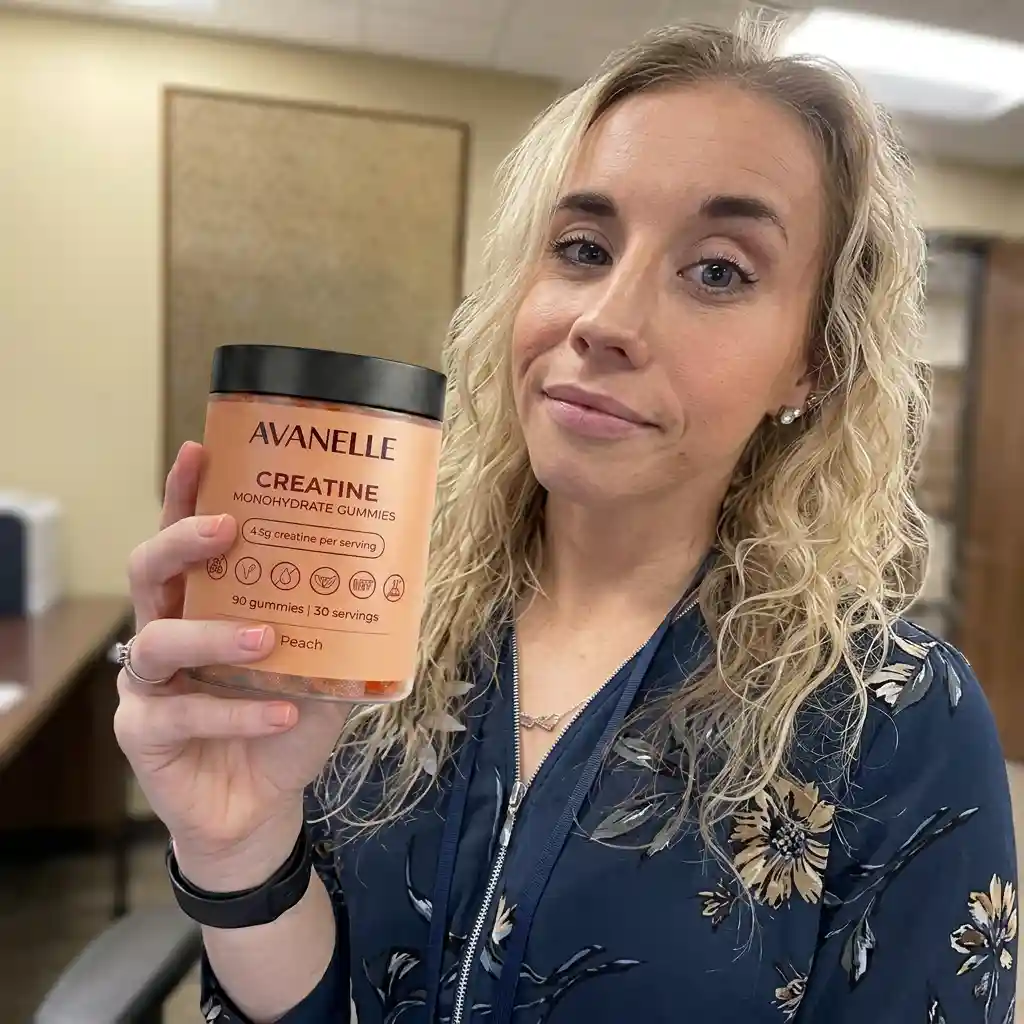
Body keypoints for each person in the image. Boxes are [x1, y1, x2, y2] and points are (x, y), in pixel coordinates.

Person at [114, 17, 1017, 1024]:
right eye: (582, 248)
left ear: (811, 363)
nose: (604, 320)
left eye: (717, 269)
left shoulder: (892, 719)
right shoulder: (370, 631)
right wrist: (238, 849)